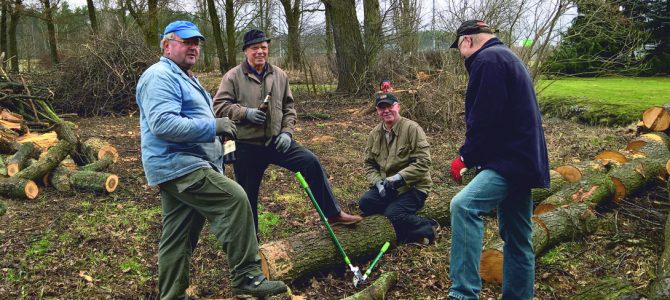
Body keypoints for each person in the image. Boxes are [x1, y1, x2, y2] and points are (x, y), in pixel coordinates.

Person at [135, 21, 287, 299]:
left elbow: (194, 119)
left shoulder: (184, 76)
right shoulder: (159, 75)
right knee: (235, 199)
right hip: (180, 164)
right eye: (186, 42)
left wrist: (219, 142)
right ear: (167, 45)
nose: (193, 47)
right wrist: (214, 126)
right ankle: (247, 277)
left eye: (196, 43)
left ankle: (172, 295)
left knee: (178, 235)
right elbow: (163, 124)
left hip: (186, 163)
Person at [213, 29, 362, 239]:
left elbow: (289, 108)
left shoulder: (280, 75)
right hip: (246, 145)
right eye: (255, 48)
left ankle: (333, 213)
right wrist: (245, 113)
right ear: (246, 51)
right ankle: (250, 240)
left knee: (310, 162)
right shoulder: (233, 76)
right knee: (247, 195)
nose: (260, 52)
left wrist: (287, 133)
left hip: (276, 141)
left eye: (264, 47)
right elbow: (219, 106)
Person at [446, 20, 550, 300]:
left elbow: (485, 118)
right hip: (524, 161)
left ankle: (463, 294)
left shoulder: (488, 60)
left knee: (464, 207)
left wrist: (466, 156)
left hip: (509, 161)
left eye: (459, 48)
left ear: (467, 41)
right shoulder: (507, 57)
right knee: (518, 239)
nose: (461, 55)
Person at [357, 92, 437, 245]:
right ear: (377, 111)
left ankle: (428, 227)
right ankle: (406, 229)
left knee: (392, 215)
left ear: (398, 106)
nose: (386, 110)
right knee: (365, 203)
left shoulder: (412, 129)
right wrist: (378, 182)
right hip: (387, 187)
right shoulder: (374, 134)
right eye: (382, 108)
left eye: (390, 106)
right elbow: (369, 164)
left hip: (413, 187)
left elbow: (424, 162)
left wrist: (400, 177)